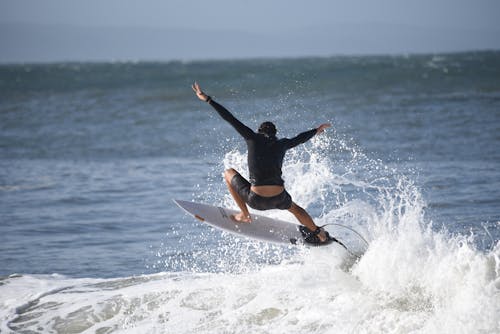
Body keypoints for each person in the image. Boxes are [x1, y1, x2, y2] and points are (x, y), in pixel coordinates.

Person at [192, 82, 333, 244]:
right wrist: (316, 130)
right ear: (275, 134)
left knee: (228, 173)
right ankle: (318, 233)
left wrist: (208, 99)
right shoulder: (283, 143)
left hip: (256, 199)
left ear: (259, 131)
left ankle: (244, 214)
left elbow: (230, 118)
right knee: (296, 209)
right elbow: (300, 139)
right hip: (279, 197)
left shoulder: (251, 138)